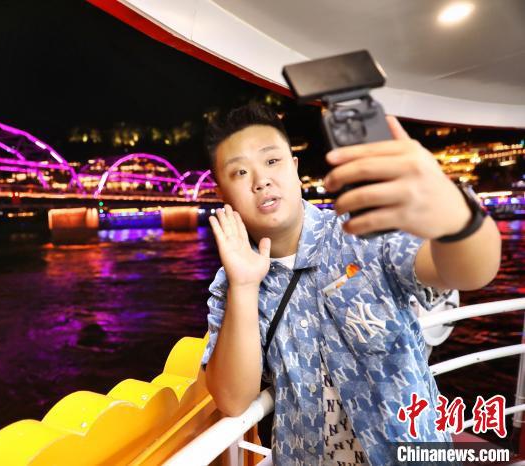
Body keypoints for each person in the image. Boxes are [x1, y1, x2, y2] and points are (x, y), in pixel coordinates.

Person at [200, 102, 501, 465]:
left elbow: (471, 272)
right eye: (240, 172)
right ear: (222, 192)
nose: (261, 180)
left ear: (295, 168)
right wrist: (245, 287)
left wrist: (454, 215)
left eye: (272, 161)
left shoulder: (362, 232)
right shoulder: (231, 282)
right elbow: (232, 399)